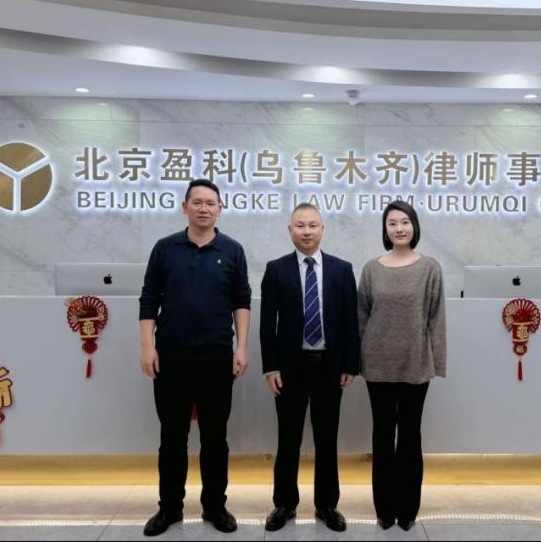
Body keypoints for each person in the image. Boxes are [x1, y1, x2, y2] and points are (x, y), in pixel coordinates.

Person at [139, 178, 251, 537]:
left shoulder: (232, 250)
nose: (204, 208)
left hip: (217, 359)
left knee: (215, 439)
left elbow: (241, 301)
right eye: (197, 202)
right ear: (184, 207)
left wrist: (242, 347)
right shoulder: (164, 248)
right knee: (172, 438)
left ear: (220, 209)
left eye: (210, 203)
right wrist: (147, 346)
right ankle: (169, 508)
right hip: (171, 359)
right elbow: (149, 298)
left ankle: (215, 506)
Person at [260, 203, 360, 532]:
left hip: (329, 367)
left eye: (313, 225)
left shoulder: (341, 269)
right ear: (290, 230)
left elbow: (350, 320)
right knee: (287, 439)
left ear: (322, 229)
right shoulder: (276, 269)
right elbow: (267, 324)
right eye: (300, 225)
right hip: (290, 368)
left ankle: (327, 505)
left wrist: (350, 364)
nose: (307, 231)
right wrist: (270, 367)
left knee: (326, 439)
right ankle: (284, 504)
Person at [357, 200, 446, 531]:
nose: (399, 228)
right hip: (377, 364)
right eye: (392, 223)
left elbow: (436, 318)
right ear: (385, 229)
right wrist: (356, 360)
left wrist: (437, 361)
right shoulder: (371, 269)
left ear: (414, 226)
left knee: (409, 436)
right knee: (382, 436)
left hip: (415, 364)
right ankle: (385, 508)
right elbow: (361, 317)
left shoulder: (430, 268)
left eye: (405, 222)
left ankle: (408, 509)